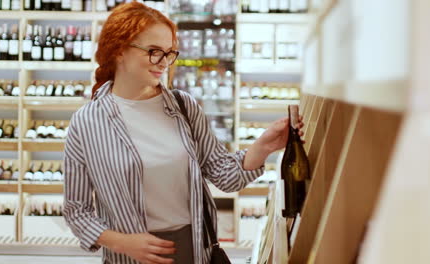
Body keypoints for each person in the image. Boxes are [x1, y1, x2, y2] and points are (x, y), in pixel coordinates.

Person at [62, 2, 305, 264]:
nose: (164, 63)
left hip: (193, 249)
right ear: (120, 50)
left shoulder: (183, 106)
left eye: (169, 53)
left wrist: (264, 146)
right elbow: (77, 211)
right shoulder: (86, 122)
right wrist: (122, 242)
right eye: (154, 52)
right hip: (129, 257)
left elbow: (223, 174)